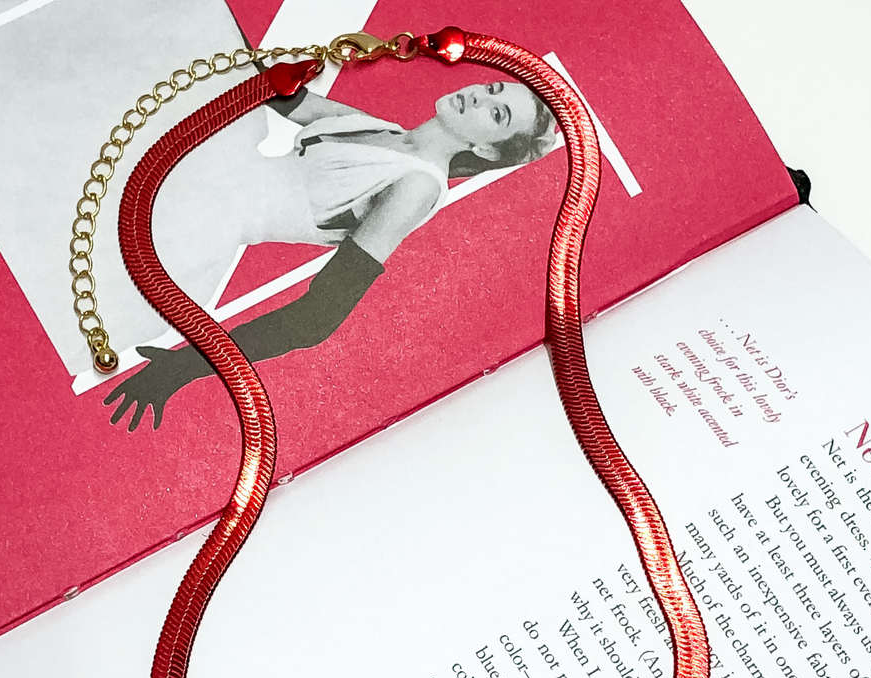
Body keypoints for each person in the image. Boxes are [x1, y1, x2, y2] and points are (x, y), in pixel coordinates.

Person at [105, 79, 556, 431]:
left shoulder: (417, 185)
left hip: (183, 243)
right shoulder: (384, 130)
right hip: (171, 184)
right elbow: (274, 91)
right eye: (493, 90)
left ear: (485, 150)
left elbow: (318, 317)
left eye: (496, 114)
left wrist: (187, 366)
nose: (478, 97)